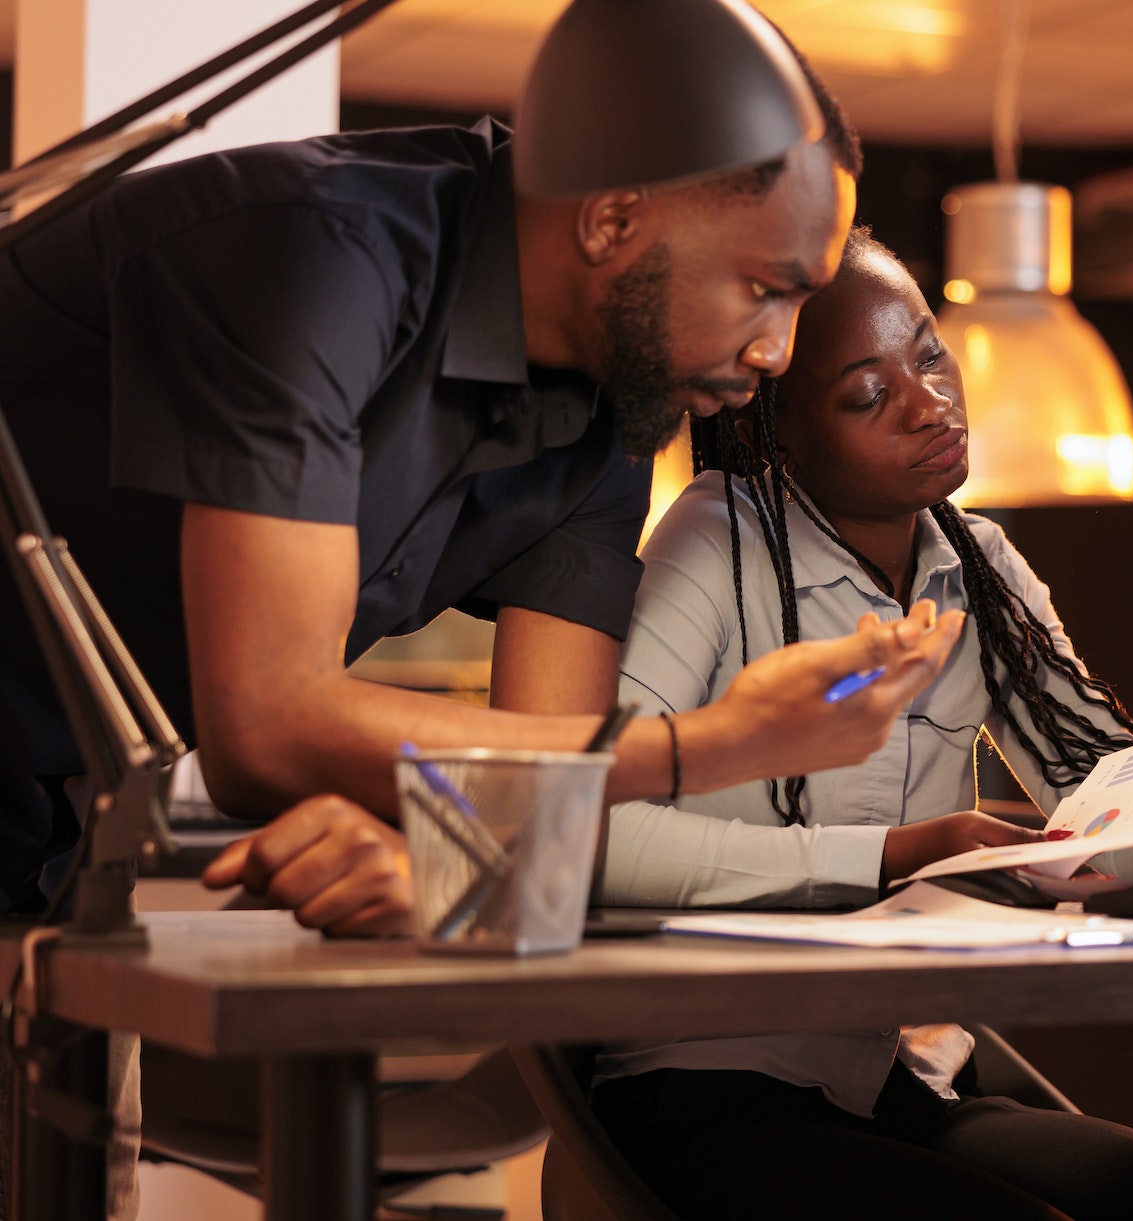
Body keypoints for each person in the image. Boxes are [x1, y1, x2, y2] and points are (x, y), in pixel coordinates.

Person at [0, 57, 961, 923]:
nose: (776, 349)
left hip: (61, 821)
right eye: (763, 286)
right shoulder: (320, 255)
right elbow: (267, 730)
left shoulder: (615, 410)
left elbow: (540, 779)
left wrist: (445, 858)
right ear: (613, 219)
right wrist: (716, 743)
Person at [590, 227, 1133, 1221]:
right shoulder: (715, 540)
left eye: (926, 352)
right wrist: (890, 855)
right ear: (779, 428)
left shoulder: (980, 566)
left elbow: (1123, 830)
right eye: (865, 392)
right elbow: (596, 834)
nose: (927, 401)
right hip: (708, 1091)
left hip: (906, 1081)